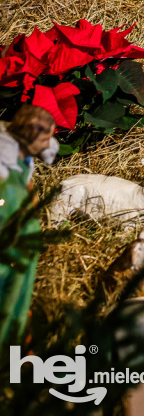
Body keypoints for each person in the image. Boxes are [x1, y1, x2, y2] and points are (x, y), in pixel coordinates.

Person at [0, 105, 56, 346]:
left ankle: (15, 328)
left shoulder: (25, 152)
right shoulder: (3, 163)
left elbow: (28, 180)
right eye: (45, 139)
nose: (49, 144)